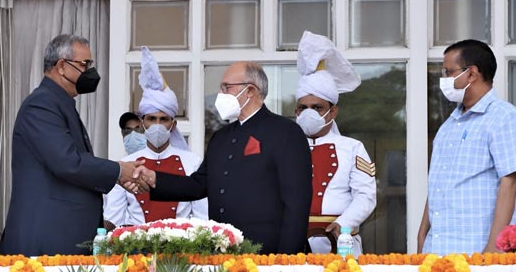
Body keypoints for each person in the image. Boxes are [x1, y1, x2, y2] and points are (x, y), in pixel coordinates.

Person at [133, 61, 313, 255]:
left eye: (226, 87)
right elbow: (198, 184)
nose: (221, 93)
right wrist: (154, 179)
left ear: (250, 90)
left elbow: (297, 203)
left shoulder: (285, 132)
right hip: (224, 251)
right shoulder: (221, 137)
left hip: (268, 254)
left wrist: (286, 258)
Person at [0, 34, 144, 256]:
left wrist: (118, 174)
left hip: (62, 236)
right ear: (61, 66)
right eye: (84, 64)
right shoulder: (42, 104)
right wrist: (117, 170)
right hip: (47, 238)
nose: (90, 72)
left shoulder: (59, 102)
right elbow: (67, 162)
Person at [418, 39, 516, 255]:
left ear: (471, 74)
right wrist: (422, 235)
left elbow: (510, 182)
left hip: (477, 251)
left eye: (448, 72)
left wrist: (494, 249)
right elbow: (438, 184)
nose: (443, 79)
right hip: (436, 251)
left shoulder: (503, 117)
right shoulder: (448, 125)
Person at [104, 47, 207, 229]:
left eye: (164, 119)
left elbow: (202, 220)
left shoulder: (193, 162)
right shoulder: (126, 165)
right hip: (137, 251)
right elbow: (114, 220)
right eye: (152, 119)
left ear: (173, 124)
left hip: (182, 251)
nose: (158, 124)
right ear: (143, 123)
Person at [294, 31, 377, 256]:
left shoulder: (352, 147)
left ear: (333, 111)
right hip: (292, 243)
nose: (309, 113)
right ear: (295, 111)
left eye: (317, 107)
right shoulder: (285, 147)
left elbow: (365, 195)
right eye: (303, 108)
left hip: (340, 242)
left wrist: (345, 223)